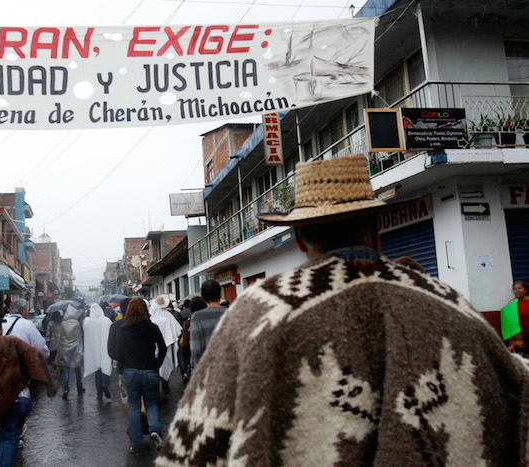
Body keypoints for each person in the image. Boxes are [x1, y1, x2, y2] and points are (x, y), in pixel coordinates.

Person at [158, 154, 529, 466]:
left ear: (300, 239)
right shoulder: (449, 305)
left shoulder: (256, 313)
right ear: (376, 228)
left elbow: (195, 445)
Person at [0, 313, 56, 467]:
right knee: (8, 436)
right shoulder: (12, 342)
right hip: (11, 398)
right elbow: (36, 355)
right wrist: (45, 382)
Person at [117, 298, 166, 454]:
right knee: (151, 404)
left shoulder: (123, 329)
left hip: (131, 371)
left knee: (134, 407)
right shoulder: (152, 327)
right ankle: (154, 430)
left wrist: (125, 366)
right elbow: (163, 348)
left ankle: (137, 446)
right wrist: (155, 365)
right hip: (150, 370)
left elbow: (118, 354)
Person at [188, 279, 226, 369]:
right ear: (220, 294)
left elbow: (195, 349)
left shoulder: (197, 317)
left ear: (202, 297)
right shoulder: (232, 313)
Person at [83, 303, 113, 400]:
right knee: (106, 366)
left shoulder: (87, 322)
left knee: (97, 370)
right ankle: (105, 384)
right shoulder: (106, 321)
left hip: (94, 349)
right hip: (105, 347)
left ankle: (99, 394)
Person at [55, 305, 85, 399]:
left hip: (65, 349)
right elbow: (79, 338)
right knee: (77, 370)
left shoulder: (63, 324)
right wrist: (81, 351)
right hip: (75, 349)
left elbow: (61, 337)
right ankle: (79, 387)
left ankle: (66, 389)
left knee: (66, 370)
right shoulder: (76, 323)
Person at [108, 297, 131, 416]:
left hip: (123, 368)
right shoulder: (145, 323)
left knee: (126, 399)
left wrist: (120, 359)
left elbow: (111, 351)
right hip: (143, 366)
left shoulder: (115, 326)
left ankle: (133, 426)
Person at [501, 280, 529, 354]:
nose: (517, 291)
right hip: (519, 336)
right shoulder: (512, 304)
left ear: (525, 290)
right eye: (515, 289)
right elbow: (506, 320)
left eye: (519, 288)